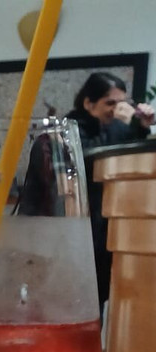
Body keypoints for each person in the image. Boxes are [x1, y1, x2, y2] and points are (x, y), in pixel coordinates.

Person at [66, 72, 155, 310]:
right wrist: (121, 124)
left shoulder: (109, 128)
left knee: (100, 298)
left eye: (122, 103)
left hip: (107, 227)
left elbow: (127, 160)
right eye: (110, 103)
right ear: (89, 103)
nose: (116, 109)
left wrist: (141, 127)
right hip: (81, 231)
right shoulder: (71, 129)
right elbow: (91, 162)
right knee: (81, 299)